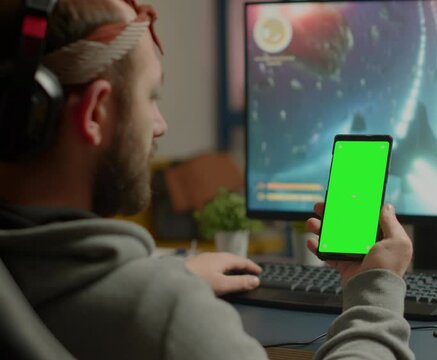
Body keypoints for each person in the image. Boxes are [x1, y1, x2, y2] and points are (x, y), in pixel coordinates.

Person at [0, 0, 415, 359]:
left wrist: (170, 273)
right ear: (95, 114)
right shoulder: (166, 319)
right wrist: (375, 293)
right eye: (151, 97)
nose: (160, 125)